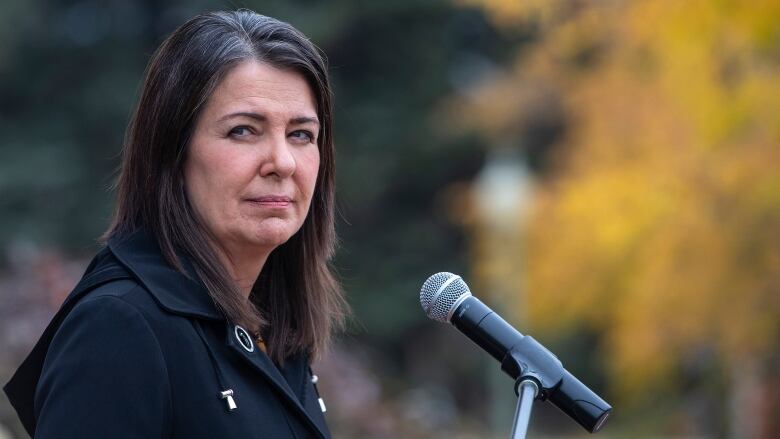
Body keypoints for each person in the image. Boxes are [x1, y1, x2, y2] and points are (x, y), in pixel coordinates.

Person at [3, 9, 347, 439]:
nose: (281, 162)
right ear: (171, 152)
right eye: (243, 131)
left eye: (301, 134)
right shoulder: (120, 328)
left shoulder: (270, 329)